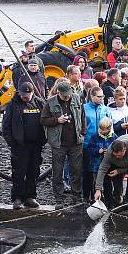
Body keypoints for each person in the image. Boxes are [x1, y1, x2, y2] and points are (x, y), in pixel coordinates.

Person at [2, 82, 46, 210]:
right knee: (18, 172)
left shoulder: (39, 103)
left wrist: (43, 140)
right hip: (19, 145)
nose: (24, 97)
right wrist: (12, 142)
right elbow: (6, 126)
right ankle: (17, 198)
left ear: (32, 93)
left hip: (36, 144)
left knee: (33, 171)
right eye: (22, 95)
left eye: (27, 95)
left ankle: (30, 196)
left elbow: (45, 121)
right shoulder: (12, 105)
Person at [41, 79, 85, 207]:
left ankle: (76, 196)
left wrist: (83, 133)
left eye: (68, 94)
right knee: (58, 171)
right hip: (58, 143)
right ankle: (58, 198)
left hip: (75, 142)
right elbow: (43, 120)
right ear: (58, 92)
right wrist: (56, 120)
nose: (66, 97)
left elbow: (82, 117)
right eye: (64, 95)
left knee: (76, 170)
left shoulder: (77, 99)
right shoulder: (50, 102)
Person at [94, 132, 128, 212]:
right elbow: (102, 169)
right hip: (127, 140)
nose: (117, 157)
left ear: (124, 150)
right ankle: (120, 199)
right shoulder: (110, 152)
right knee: (119, 164)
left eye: (119, 155)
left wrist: (119, 171)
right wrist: (98, 189)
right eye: (115, 155)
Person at [82, 86, 113, 200]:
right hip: (87, 144)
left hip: (103, 144)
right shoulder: (84, 109)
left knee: (104, 171)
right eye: (99, 97)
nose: (102, 98)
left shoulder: (106, 110)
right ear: (92, 96)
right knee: (87, 172)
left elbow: (110, 127)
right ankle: (86, 196)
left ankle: (103, 197)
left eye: (103, 96)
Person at [84, 118, 117, 204]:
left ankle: (108, 202)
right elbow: (89, 149)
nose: (101, 131)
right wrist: (98, 151)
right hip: (96, 165)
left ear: (109, 128)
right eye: (100, 129)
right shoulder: (94, 137)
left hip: (109, 166)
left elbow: (117, 150)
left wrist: (110, 153)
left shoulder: (114, 137)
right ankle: (94, 201)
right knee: (95, 183)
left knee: (108, 184)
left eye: (104, 129)